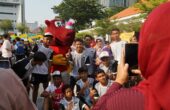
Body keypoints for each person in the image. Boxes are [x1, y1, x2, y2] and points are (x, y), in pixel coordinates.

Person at [92, 2, 170, 110]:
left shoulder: (126, 100)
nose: (115, 35)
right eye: (113, 33)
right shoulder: (109, 46)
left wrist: (118, 81)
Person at [30, 34, 53, 104]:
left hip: (45, 73)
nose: (48, 40)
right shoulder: (37, 46)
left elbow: (50, 63)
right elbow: (31, 56)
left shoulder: (51, 50)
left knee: (46, 89)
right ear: (43, 39)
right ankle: (34, 104)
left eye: (50, 39)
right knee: (35, 89)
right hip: (35, 72)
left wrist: (49, 74)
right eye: (47, 39)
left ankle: (45, 105)